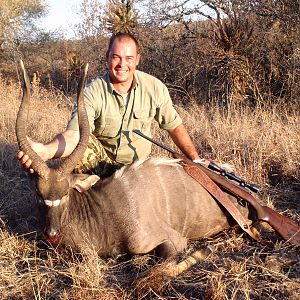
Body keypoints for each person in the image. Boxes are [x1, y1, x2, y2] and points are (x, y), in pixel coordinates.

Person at [18, 32, 208, 178]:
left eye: (128, 58)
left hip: (139, 170)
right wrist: (46, 151)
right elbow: (74, 135)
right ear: (107, 57)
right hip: (103, 167)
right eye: (116, 57)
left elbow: (174, 126)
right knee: (83, 146)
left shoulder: (154, 87)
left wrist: (195, 159)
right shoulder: (93, 91)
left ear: (138, 60)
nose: (121, 64)